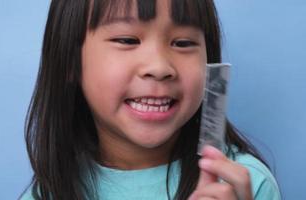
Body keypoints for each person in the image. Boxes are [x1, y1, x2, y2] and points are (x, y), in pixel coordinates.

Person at [21, 0, 281, 199]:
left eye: (182, 43)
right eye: (127, 39)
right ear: (70, 62)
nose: (159, 67)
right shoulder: (48, 193)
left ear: (209, 65)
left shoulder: (242, 185)